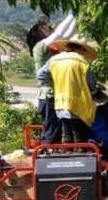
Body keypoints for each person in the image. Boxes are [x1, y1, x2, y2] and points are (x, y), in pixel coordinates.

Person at [36, 36, 99, 145]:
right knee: (78, 136)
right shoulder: (81, 61)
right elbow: (92, 84)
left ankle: (67, 154)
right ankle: (79, 156)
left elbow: (41, 76)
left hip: (60, 102)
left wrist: (54, 84)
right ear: (80, 49)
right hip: (77, 104)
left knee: (67, 135)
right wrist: (94, 92)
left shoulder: (55, 59)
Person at [27, 14, 76, 145]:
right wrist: (72, 15)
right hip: (47, 94)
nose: (48, 28)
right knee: (51, 127)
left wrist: (77, 19)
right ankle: (47, 152)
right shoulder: (39, 47)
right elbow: (60, 32)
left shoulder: (53, 49)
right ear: (38, 33)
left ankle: (51, 151)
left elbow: (66, 36)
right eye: (44, 28)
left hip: (56, 94)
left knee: (57, 126)